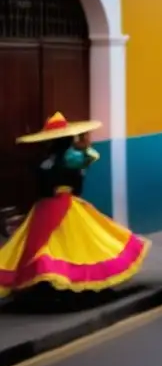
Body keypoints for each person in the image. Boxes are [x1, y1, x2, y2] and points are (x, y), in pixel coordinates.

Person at [0, 113, 150, 298]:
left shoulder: (43, 161)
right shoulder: (73, 159)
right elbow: (89, 162)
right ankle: (63, 282)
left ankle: (44, 282)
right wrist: (85, 149)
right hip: (66, 205)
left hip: (43, 208)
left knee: (43, 244)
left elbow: (42, 186)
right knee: (79, 244)